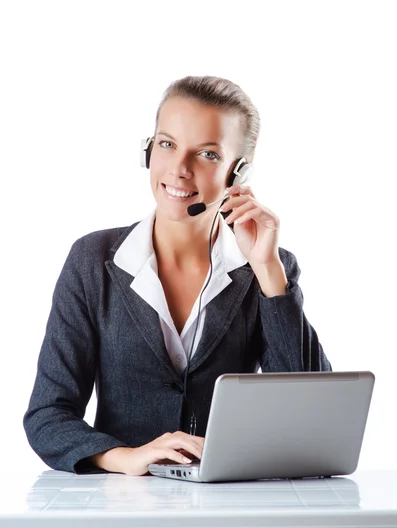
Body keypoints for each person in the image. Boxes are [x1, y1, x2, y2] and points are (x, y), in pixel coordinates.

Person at [23, 75, 331, 476]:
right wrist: (127, 458)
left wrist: (268, 269)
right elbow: (48, 416)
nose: (179, 169)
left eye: (206, 154)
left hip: (231, 500)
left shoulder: (267, 267)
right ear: (147, 150)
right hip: (120, 504)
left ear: (238, 173)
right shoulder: (93, 260)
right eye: (167, 145)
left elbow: (314, 417)